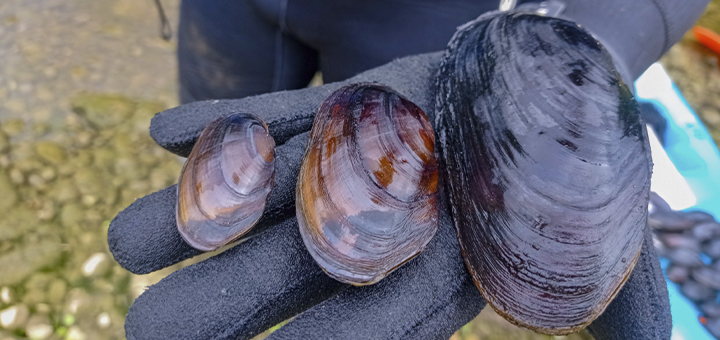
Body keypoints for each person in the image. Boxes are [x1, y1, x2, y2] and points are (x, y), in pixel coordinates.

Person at [109, 0, 710, 339]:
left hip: (424, 15)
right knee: (226, 123)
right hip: (231, 11)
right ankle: (213, 207)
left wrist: (590, 27)